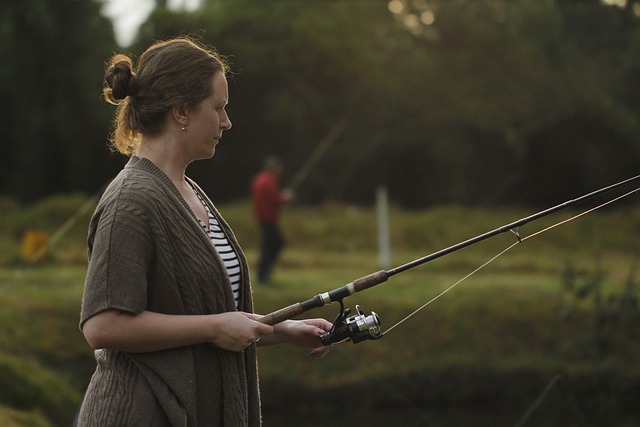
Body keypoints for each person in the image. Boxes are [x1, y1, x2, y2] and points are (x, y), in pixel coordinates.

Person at [77, 37, 332, 427]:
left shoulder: (188, 189)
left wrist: (280, 330)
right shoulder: (131, 200)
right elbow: (102, 325)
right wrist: (215, 327)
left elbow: (203, 318)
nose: (227, 121)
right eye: (218, 108)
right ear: (181, 111)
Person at [251, 156, 292, 283]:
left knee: (269, 245)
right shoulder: (269, 181)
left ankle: (264, 272)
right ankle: (263, 274)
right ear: (274, 168)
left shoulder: (259, 178)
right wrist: (284, 197)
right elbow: (274, 199)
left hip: (262, 217)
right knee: (275, 244)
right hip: (267, 219)